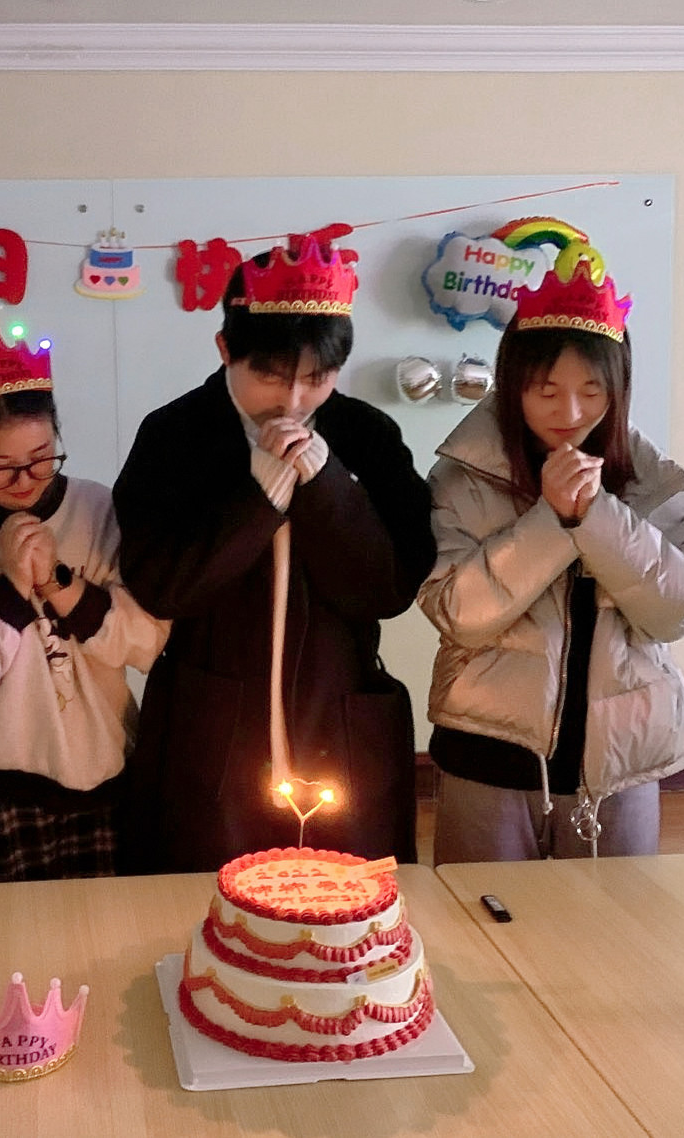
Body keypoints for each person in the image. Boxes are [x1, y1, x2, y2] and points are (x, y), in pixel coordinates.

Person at [113, 225, 435, 873]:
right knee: (201, 898)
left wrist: (326, 486)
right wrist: (258, 496)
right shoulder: (174, 434)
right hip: (211, 722)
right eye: (268, 375)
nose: (292, 401)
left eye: (316, 378)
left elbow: (388, 588)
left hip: (339, 716)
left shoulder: (366, 434)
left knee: (342, 901)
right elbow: (162, 585)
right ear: (224, 349)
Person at [417, 246, 684, 864]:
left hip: (623, 759)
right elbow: (458, 614)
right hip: (488, 751)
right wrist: (552, 520)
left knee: (610, 921)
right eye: (546, 391)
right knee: (482, 914)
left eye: (593, 391)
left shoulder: (651, 480)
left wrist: (597, 517)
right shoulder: (461, 480)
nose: (569, 413)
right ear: (513, 385)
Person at [0, 318, 165, 884]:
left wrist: (60, 585)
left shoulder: (96, 508)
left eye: (42, 457)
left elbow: (147, 643)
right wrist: (11, 586)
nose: (24, 480)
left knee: (107, 930)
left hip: (104, 772)